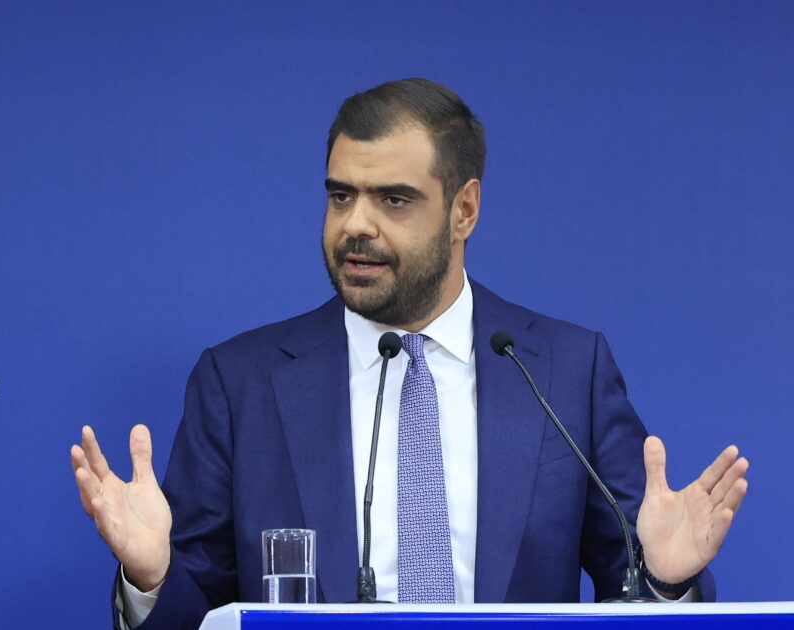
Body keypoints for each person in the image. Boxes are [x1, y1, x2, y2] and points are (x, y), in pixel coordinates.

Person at [70, 78, 749, 630]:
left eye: (394, 200)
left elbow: (633, 590)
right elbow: (194, 614)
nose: (355, 225)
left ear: (464, 210)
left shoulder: (567, 372)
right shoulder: (241, 382)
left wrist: (666, 584)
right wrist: (152, 578)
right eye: (341, 196)